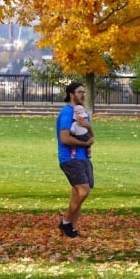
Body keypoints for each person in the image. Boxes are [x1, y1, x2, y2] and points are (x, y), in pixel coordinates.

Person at [56, 81, 95, 238]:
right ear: (71, 94)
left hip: (83, 157)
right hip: (70, 158)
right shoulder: (67, 113)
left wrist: (88, 127)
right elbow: (64, 138)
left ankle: (72, 228)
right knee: (83, 191)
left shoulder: (82, 113)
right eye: (79, 92)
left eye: (84, 92)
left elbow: (91, 135)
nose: (83, 95)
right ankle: (66, 223)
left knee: (78, 194)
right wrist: (85, 143)